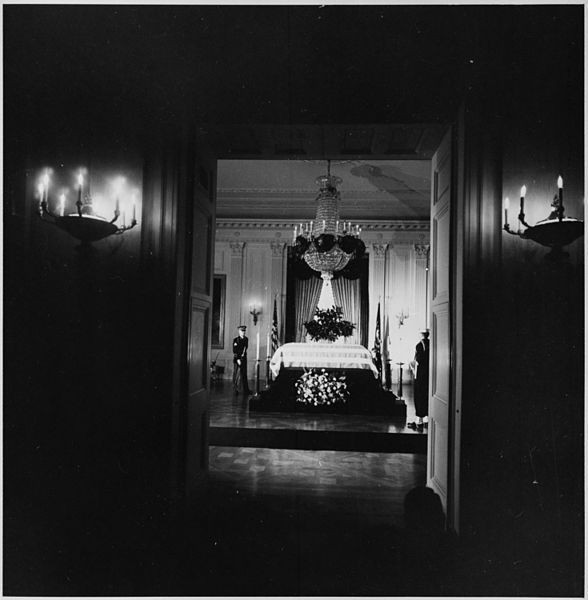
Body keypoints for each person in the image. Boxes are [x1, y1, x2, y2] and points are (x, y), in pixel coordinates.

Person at [408, 330, 429, 431]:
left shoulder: (419, 345)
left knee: (419, 395)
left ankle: (419, 420)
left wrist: (413, 364)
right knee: (427, 395)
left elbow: (419, 360)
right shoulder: (431, 344)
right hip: (429, 374)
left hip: (421, 374)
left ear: (421, 335)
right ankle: (426, 419)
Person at [232, 325, 251, 395]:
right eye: (241, 331)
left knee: (244, 374)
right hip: (237, 359)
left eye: (244, 331)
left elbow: (246, 348)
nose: (243, 332)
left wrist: (243, 356)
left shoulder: (246, 339)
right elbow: (234, 350)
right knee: (236, 374)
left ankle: (246, 390)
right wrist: (238, 359)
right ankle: (235, 389)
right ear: (239, 332)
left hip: (244, 359)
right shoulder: (236, 340)